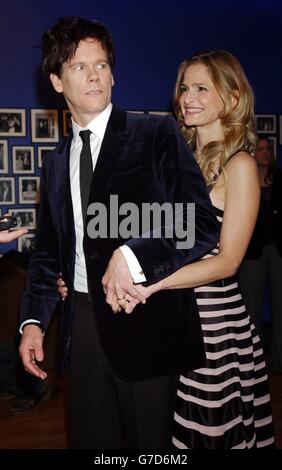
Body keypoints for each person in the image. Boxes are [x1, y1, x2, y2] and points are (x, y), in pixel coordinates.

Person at [19, 17, 218, 449]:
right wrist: (34, 321)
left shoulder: (156, 134)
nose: (94, 75)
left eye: (102, 64)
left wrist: (132, 255)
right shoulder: (55, 164)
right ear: (56, 80)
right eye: (78, 67)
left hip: (147, 323)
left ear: (113, 73)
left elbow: (201, 222)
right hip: (84, 329)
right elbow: (48, 256)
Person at [109, 50, 275, 448]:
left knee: (208, 434)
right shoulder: (177, 160)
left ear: (233, 98)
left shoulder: (240, 166)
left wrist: (151, 284)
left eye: (203, 88)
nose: (188, 97)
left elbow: (228, 262)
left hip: (214, 326)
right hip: (171, 317)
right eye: (185, 88)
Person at [239, 135, 282, 373]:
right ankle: (254, 363)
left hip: (278, 251)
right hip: (251, 253)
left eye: (268, 149)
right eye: (260, 149)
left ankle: (278, 362)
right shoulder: (244, 178)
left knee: (280, 308)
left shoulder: (280, 179)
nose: (265, 152)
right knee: (251, 310)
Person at [0, 250, 50, 413]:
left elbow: (9, 325)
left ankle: (36, 390)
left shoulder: (12, 277)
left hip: (16, 334)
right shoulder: (10, 269)